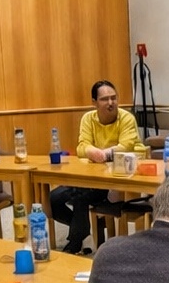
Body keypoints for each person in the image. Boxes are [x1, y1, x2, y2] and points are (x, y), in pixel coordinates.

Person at [52, 79, 143, 254]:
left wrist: (103, 154)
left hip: (117, 179)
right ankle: (81, 229)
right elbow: (81, 147)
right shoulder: (88, 118)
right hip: (90, 175)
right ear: (94, 102)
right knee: (53, 199)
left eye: (114, 98)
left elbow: (127, 145)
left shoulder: (126, 118)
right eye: (104, 99)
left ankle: (75, 242)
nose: (110, 103)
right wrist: (90, 151)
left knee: (80, 197)